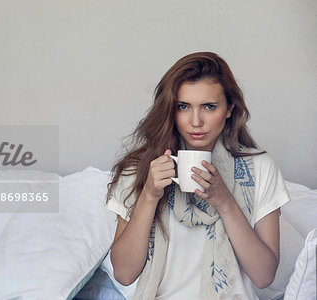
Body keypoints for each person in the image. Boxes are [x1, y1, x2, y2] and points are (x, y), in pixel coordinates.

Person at [106, 52, 290, 300]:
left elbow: (264, 276)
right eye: (183, 107)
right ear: (170, 110)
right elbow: (124, 274)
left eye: (209, 107)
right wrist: (149, 196)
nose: (195, 121)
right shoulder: (140, 168)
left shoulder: (260, 167)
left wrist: (225, 202)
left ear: (229, 109)